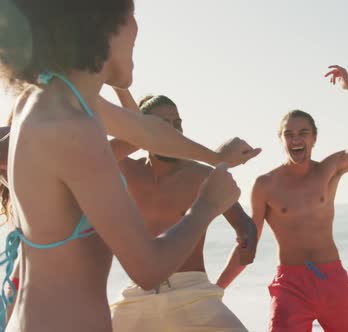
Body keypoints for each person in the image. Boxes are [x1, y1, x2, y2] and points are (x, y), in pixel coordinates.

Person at [0, 1, 259, 331]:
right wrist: (208, 203)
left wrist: (215, 157)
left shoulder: (54, 99)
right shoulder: (72, 128)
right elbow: (148, 268)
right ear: (101, 25)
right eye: (129, 13)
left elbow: (147, 131)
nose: (137, 26)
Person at [218, 65, 348, 331]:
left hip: (333, 280)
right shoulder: (265, 185)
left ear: (314, 138)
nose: (295, 139)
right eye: (289, 134)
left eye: (302, 133)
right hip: (291, 285)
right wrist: (217, 289)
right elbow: (248, 240)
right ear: (281, 139)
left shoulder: (329, 171)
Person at [108, 90, 256, 331]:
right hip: (138, 294)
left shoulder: (202, 175)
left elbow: (243, 223)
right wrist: (121, 89)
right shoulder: (125, 170)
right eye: (163, 125)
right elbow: (110, 140)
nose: (173, 131)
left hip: (193, 292)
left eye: (177, 124)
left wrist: (249, 237)